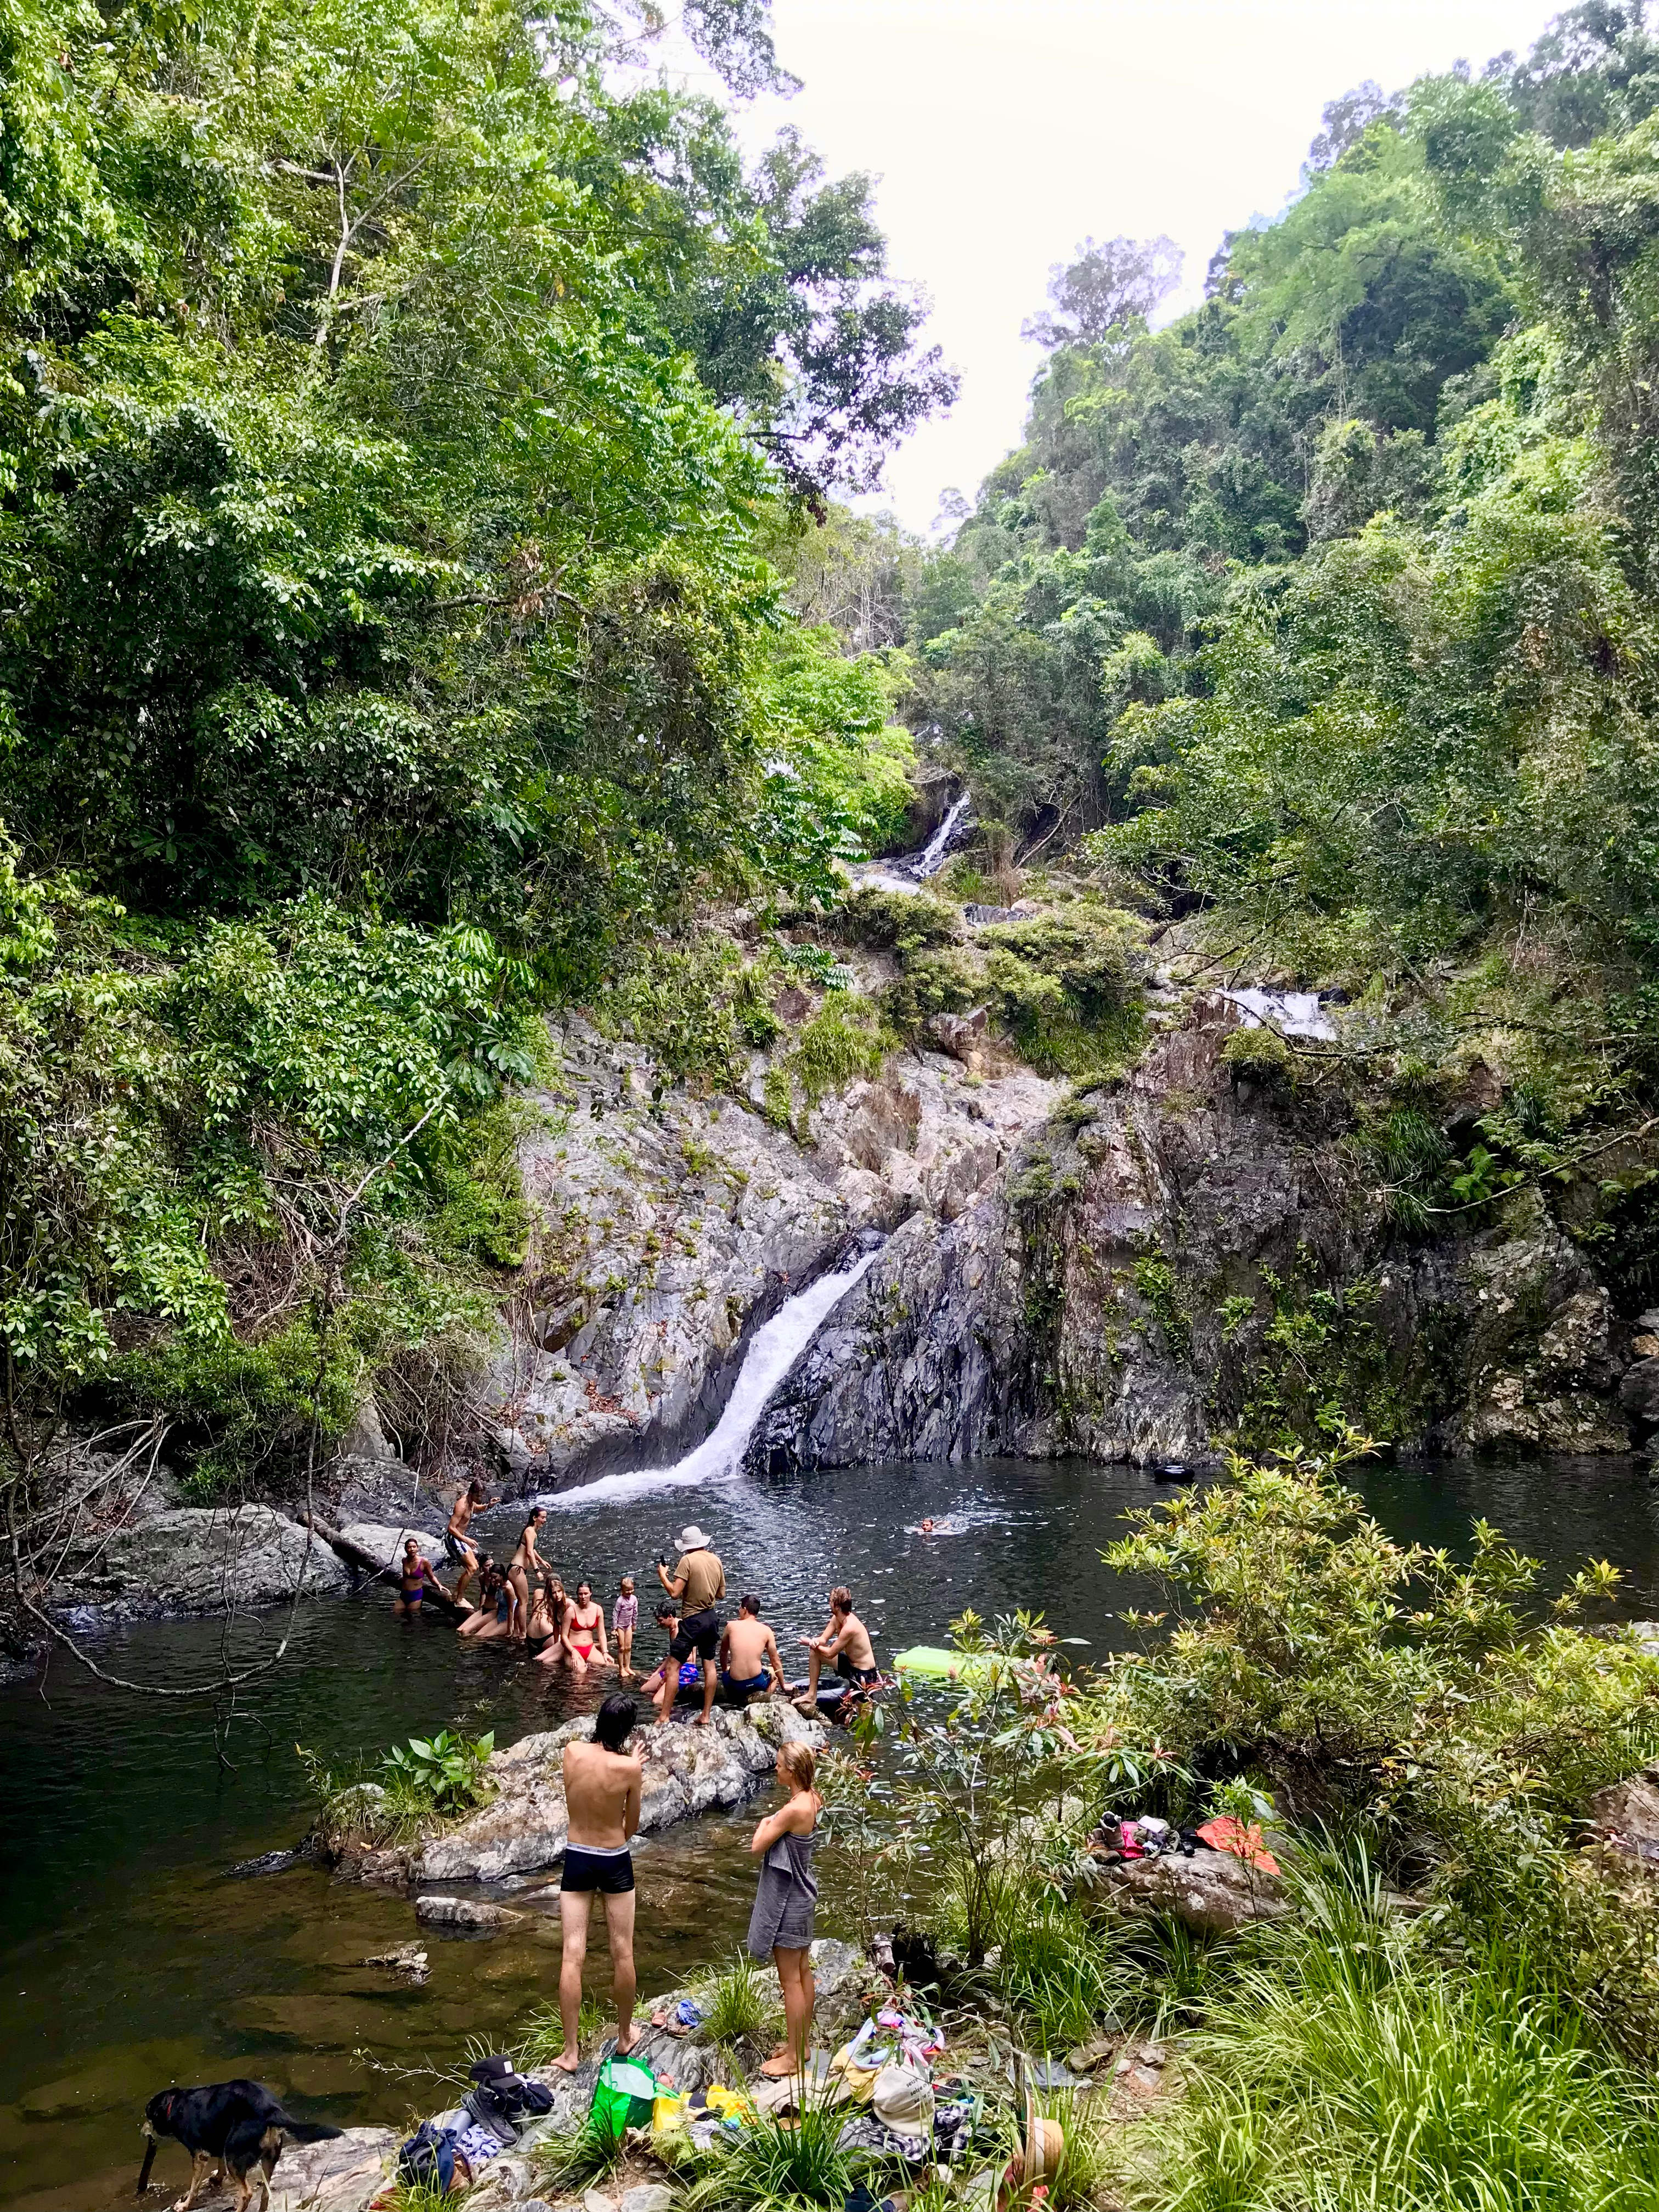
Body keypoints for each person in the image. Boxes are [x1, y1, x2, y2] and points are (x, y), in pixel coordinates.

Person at [555, 1693, 642, 2069]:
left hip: (577, 1856)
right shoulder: (629, 1768)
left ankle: (570, 2053)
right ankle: (625, 2037)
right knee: (622, 1951)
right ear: (626, 1730)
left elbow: (573, 1794)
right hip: (613, 1858)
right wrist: (633, 1766)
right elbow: (632, 1827)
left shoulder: (572, 1751)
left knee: (572, 1953)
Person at [747, 1741, 821, 2079]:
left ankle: (793, 2059)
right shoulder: (812, 1798)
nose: (775, 1769)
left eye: (779, 1765)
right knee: (803, 1972)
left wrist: (766, 1821)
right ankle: (800, 2045)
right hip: (804, 1896)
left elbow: (757, 1845)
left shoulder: (794, 1810)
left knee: (790, 1980)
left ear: (791, 1771)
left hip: (789, 1900)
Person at [655, 1522, 726, 1725]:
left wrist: (663, 1576)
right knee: (709, 1667)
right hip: (711, 1618)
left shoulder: (687, 1561)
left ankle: (664, 1716)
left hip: (693, 1619)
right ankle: (706, 1715)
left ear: (686, 1546)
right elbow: (721, 1594)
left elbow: (675, 1594)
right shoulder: (716, 1560)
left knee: (673, 1667)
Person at [796, 1585, 878, 1711]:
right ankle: (812, 1695)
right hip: (850, 1664)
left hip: (864, 1673)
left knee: (865, 1715)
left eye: (831, 1601)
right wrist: (814, 1642)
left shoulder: (850, 1627)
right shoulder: (837, 1619)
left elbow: (830, 1653)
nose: (829, 1603)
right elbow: (823, 1639)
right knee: (815, 1652)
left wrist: (809, 1643)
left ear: (838, 1607)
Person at [719, 1593, 784, 1705]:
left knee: (729, 1670)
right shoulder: (766, 1630)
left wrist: (725, 1670)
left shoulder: (731, 1626)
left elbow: (723, 1652)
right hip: (756, 1683)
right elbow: (776, 1661)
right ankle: (765, 1700)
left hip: (735, 1684)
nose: (739, 1611)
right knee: (773, 1674)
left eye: (740, 1608)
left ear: (745, 1610)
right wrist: (784, 1686)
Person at [444, 1476, 495, 1606]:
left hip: (460, 1539)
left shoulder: (471, 1502)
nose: (479, 1498)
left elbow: (476, 1508)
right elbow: (451, 1528)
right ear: (471, 1493)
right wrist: (467, 1539)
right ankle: (459, 1599)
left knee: (475, 1567)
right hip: (453, 1539)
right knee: (472, 1568)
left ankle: (456, 1594)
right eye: (478, 1496)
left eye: (481, 1496)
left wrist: (488, 1506)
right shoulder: (462, 1505)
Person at [507, 1508, 548, 1641]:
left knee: (520, 1601)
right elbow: (529, 1552)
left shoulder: (530, 1531)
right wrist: (537, 1571)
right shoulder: (530, 1531)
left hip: (516, 1569)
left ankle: (517, 1632)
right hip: (518, 1569)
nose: (545, 1520)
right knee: (524, 1602)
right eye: (542, 1517)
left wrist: (542, 1561)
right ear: (535, 1518)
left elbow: (531, 1549)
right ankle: (523, 1635)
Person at [565, 1580, 611, 1676]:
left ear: (591, 1593)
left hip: (590, 1649)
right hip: (573, 1649)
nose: (583, 1597)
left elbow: (602, 1634)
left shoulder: (598, 1609)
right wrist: (573, 1652)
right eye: (580, 1594)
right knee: (580, 1673)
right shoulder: (571, 1611)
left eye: (586, 1594)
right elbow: (564, 1637)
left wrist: (605, 1652)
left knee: (609, 1666)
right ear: (577, 1595)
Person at [458, 1559, 511, 1639]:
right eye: (487, 1565)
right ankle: (463, 1648)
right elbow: (483, 1593)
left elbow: (512, 1606)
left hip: (494, 1612)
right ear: (482, 1568)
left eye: (492, 1564)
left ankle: (467, 1649)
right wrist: (480, 1608)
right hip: (485, 1609)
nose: (490, 1567)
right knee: (460, 1630)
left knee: (470, 1633)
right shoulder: (483, 1577)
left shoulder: (501, 1584)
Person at [394, 1537, 446, 1616]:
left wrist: (439, 1585)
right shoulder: (404, 1560)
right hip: (404, 1594)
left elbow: (431, 1576)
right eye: (409, 1547)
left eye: (414, 1547)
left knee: (412, 1617)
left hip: (416, 1595)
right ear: (405, 1549)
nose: (412, 1549)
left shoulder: (424, 1562)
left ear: (417, 1548)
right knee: (395, 1614)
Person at [534, 1576, 574, 1667]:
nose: (557, 1595)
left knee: (546, 1662)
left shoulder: (569, 1604)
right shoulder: (555, 1605)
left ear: (563, 1591)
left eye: (559, 1592)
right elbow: (556, 1627)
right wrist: (555, 1645)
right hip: (563, 1641)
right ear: (550, 1594)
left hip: (571, 1641)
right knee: (537, 1659)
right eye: (554, 1593)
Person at [612, 1576, 639, 1679]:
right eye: (627, 1590)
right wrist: (615, 1628)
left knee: (628, 1647)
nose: (630, 1592)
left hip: (628, 1625)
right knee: (622, 1648)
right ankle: (621, 1668)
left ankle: (627, 1667)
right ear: (622, 1590)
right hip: (620, 1626)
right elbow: (615, 1613)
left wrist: (634, 1623)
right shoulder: (620, 1601)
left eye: (631, 1589)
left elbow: (635, 1612)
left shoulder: (634, 1599)